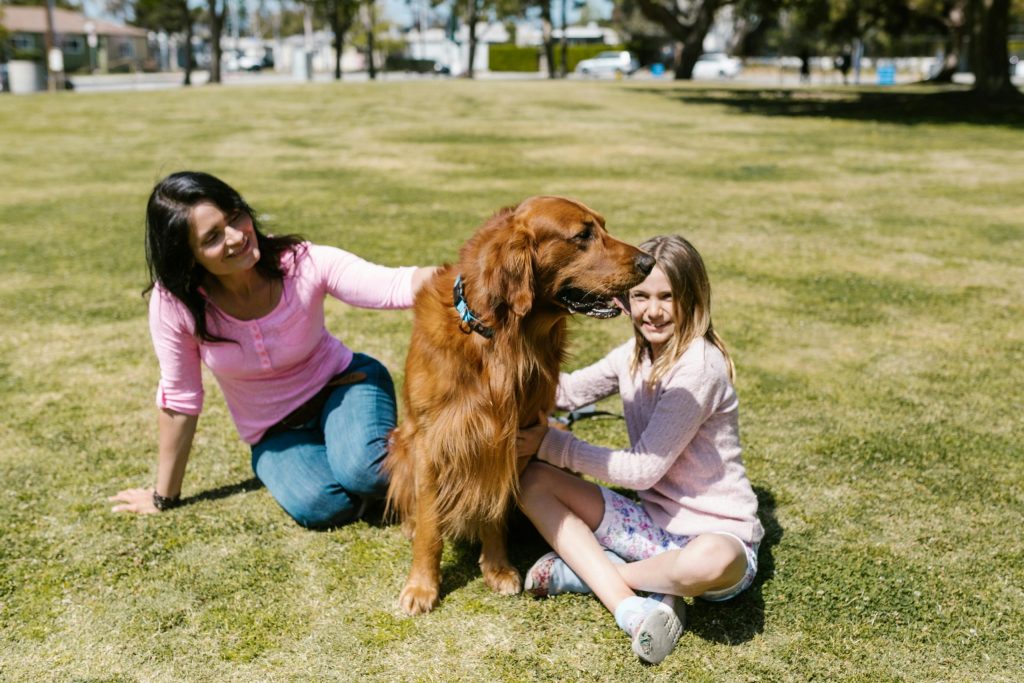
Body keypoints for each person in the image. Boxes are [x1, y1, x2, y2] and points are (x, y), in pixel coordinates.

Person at [109, 171, 436, 528]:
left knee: (366, 473)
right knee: (321, 506)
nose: (236, 237)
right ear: (188, 256)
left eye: (235, 217)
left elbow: (394, 285)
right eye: (212, 237)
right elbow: (180, 397)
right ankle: (355, 468)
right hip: (276, 434)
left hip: (344, 387)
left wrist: (471, 277)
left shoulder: (300, 262)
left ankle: (401, 469)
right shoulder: (175, 305)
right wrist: (163, 496)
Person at [515, 234, 763, 665]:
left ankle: (587, 575)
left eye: (667, 297)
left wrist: (552, 443)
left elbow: (643, 471)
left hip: (718, 538)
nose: (652, 310)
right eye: (641, 295)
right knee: (533, 480)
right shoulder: (632, 355)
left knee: (705, 562)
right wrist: (508, 377)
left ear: (694, 299)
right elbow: (567, 393)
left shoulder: (698, 367)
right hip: (649, 527)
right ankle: (634, 605)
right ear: (625, 298)